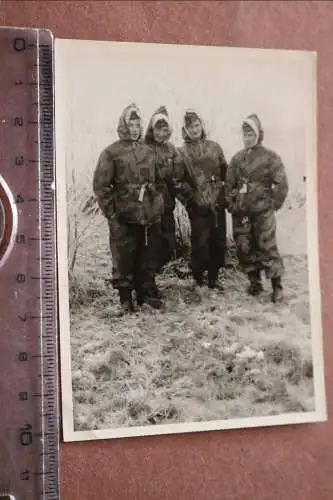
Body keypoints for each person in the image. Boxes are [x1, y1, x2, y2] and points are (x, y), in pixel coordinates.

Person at [93, 103, 164, 313]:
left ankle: (145, 294)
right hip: (123, 214)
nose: (134, 129)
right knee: (124, 255)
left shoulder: (148, 150)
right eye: (130, 124)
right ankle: (125, 297)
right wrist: (112, 214)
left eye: (137, 125)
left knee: (147, 253)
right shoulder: (111, 152)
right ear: (123, 126)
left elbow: (158, 180)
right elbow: (101, 186)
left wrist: (156, 204)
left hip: (147, 213)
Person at [225, 113, 289, 303]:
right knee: (245, 246)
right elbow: (229, 185)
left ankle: (277, 286)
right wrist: (233, 205)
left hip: (263, 212)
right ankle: (255, 282)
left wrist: (273, 204)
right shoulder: (237, 159)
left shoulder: (270, 157)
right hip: (242, 213)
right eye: (245, 134)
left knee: (267, 246)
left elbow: (281, 183)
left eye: (251, 134)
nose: (247, 138)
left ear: (259, 135)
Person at [178, 109, 228, 289]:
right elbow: (178, 181)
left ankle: (214, 278)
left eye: (197, 125)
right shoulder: (181, 152)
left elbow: (226, 173)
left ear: (202, 125)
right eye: (190, 126)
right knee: (200, 243)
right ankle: (199, 279)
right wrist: (191, 198)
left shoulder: (214, 147)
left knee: (218, 241)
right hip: (198, 207)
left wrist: (223, 195)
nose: (194, 129)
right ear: (185, 129)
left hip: (217, 204)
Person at [144, 106, 182, 272]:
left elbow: (178, 175)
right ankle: (149, 275)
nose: (161, 133)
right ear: (152, 130)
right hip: (150, 205)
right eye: (158, 129)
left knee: (168, 241)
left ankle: (158, 268)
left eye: (164, 129)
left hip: (167, 204)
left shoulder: (171, 149)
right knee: (152, 242)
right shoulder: (143, 147)